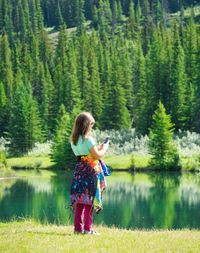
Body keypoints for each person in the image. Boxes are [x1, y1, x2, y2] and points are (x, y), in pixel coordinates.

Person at [70, 112, 109, 235]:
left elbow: (85, 154)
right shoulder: (89, 139)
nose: (92, 126)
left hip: (79, 172)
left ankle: (78, 229)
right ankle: (88, 229)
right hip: (90, 172)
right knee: (90, 201)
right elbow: (97, 155)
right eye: (91, 124)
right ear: (86, 125)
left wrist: (97, 147)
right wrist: (105, 147)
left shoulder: (73, 140)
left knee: (80, 201)